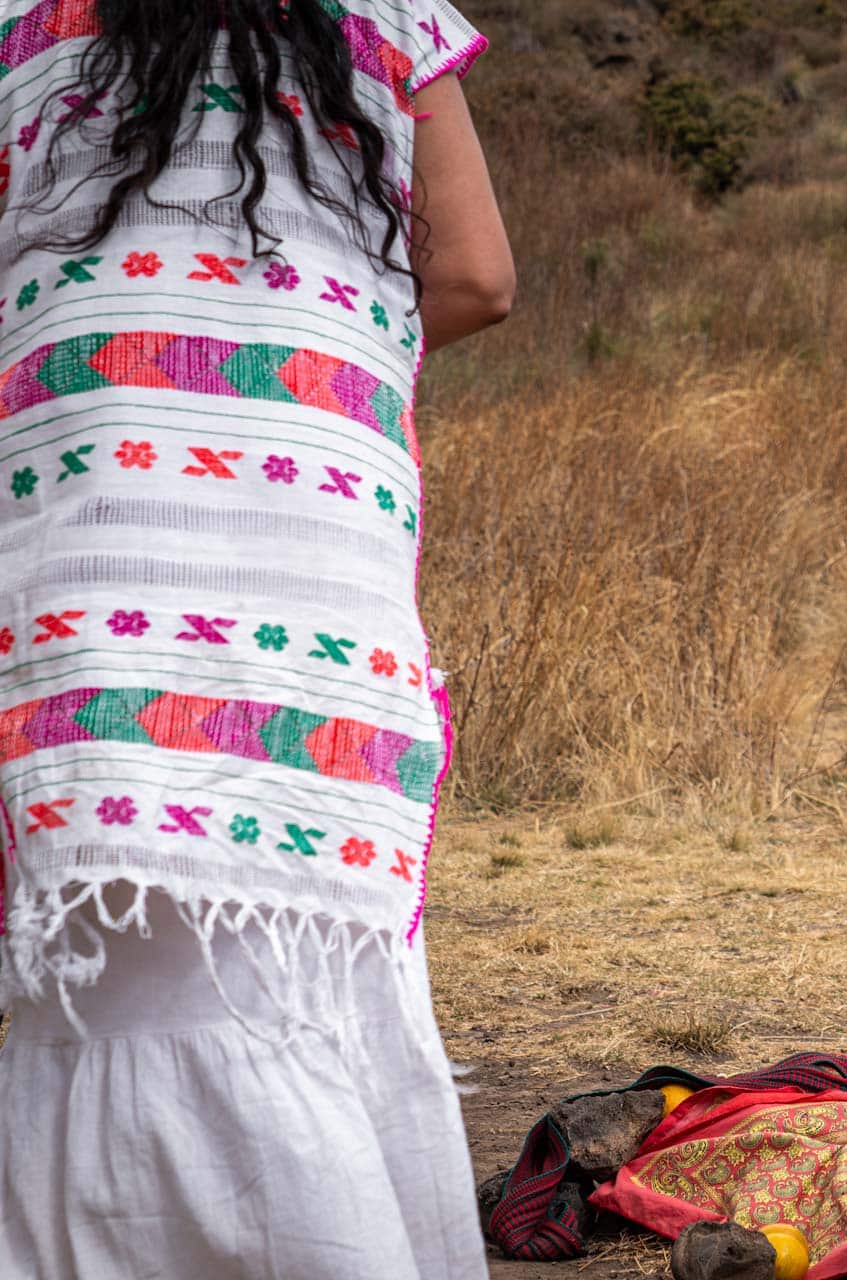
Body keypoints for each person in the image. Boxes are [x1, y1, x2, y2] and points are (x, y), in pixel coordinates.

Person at [0, 1, 512, 1276]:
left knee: (124, 976)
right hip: (313, 576)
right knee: (303, 962)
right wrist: (304, 355)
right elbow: (475, 276)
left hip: (97, 550)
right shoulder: (388, 14)